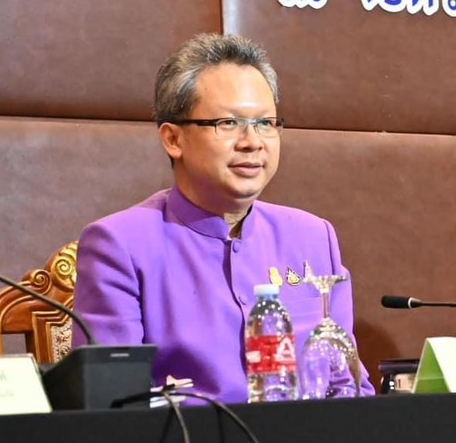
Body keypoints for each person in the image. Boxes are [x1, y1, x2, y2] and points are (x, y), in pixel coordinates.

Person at [73, 33, 369, 402]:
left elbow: (348, 386)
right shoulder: (119, 245)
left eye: (266, 123)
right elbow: (111, 403)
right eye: (228, 123)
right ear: (173, 139)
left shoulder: (313, 236)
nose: (252, 141)